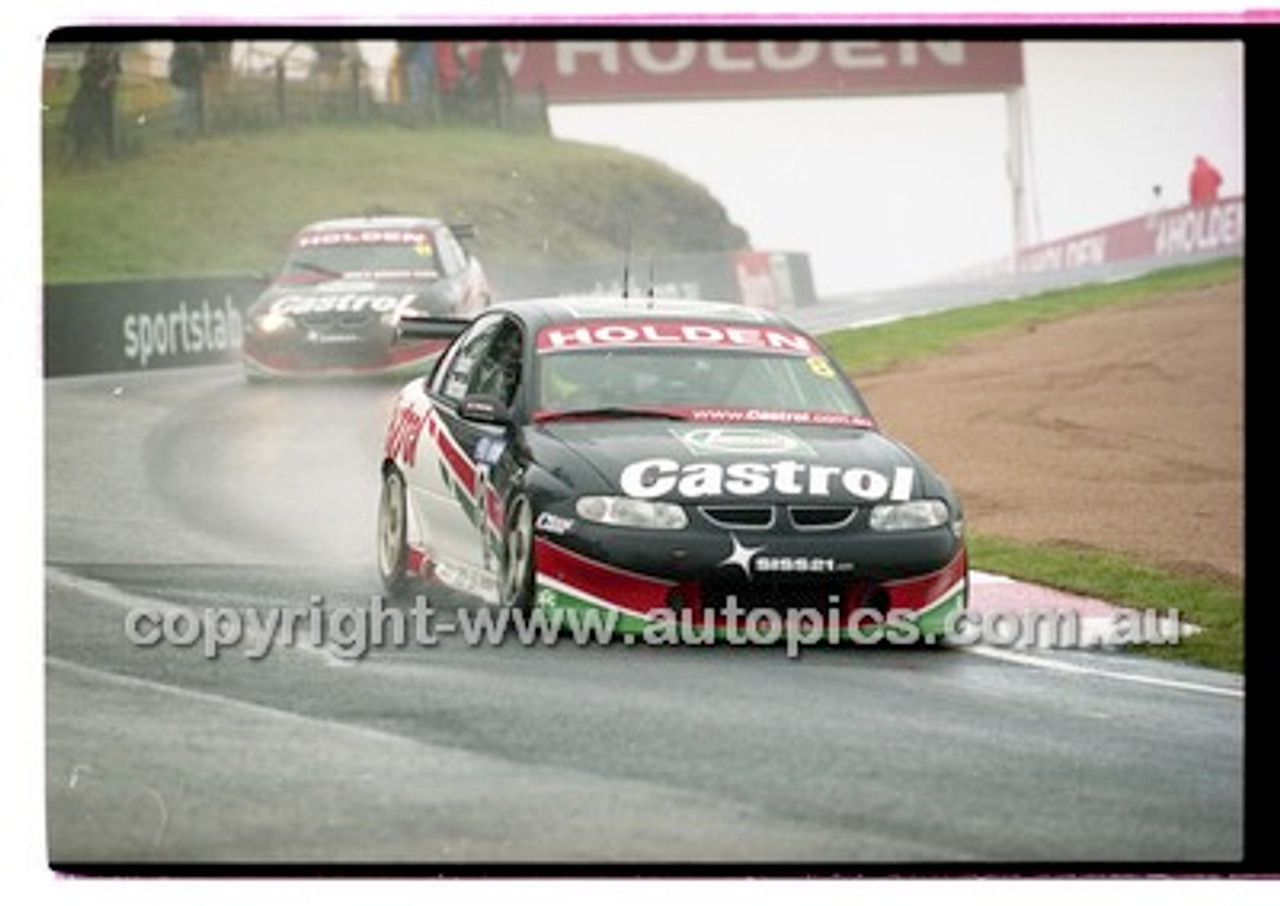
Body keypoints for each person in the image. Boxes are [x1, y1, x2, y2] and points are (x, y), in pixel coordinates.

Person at [65, 43, 120, 161]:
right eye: (91, 55)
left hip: (103, 104)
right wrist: (109, 76)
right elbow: (100, 85)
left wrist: (112, 71)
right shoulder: (86, 71)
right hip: (88, 105)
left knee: (107, 130)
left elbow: (111, 83)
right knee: (84, 129)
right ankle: (81, 154)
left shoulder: (105, 67)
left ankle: (109, 153)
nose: (92, 57)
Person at [168, 41, 204, 137]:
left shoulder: (190, 54)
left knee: (186, 109)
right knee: (182, 109)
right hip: (182, 84)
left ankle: (186, 131)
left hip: (188, 85)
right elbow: (173, 70)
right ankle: (180, 131)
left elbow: (199, 67)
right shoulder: (178, 54)